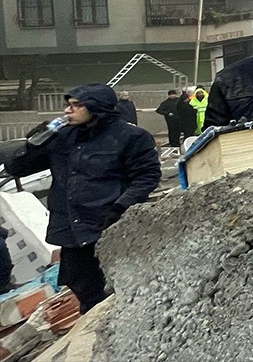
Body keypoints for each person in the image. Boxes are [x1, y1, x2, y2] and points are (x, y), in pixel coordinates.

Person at [4, 84, 160, 313]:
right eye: (68, 105)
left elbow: (147, 176)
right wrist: (36, 142)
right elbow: (15, 168)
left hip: (107, 226)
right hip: (71, 230)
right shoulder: (61, 137)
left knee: (121, 289)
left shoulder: (130, 136)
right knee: (83, 288)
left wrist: (121, 207)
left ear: (96, 108)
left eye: (77, 105)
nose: (68, 110)